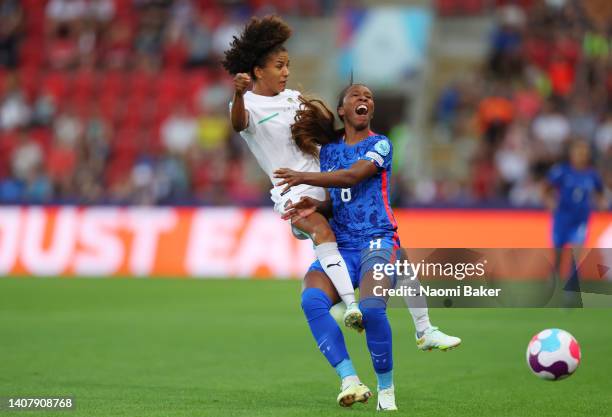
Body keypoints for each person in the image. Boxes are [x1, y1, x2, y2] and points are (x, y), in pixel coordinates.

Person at [275, 84, 460, 411]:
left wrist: (301, 177)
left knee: (373, 309)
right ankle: (349, 379)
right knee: (312, 300)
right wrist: (313, 206)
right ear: (342, 110)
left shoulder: (381, 145)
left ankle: (386, 389)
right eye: (356, 96)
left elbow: (351, 178)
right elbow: (339, 198)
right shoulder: (329, 151)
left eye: (369, 97)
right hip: (341, 245)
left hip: (377, 240)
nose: (364, 99)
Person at [221, 16, 362, 329]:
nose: (286, 72)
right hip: (293, 195)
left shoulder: (294, 99)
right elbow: (238, 123)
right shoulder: (247, 106)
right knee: (321, 232)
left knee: (360, 245)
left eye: (287, 65)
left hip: (325, 188)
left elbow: (320, 138)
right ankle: (352, 306)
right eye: (279, 66)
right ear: (258, 71)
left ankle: (332, 301)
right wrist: (240, 94)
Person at [544, 140, 606, 292]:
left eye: (584, 153)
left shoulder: (592, 174)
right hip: (562, 219)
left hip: (580, 220)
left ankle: (571, 289)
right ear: (572, 154)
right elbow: (545, 188)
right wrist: (550, 201)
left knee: (575, 254)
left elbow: (600, 193)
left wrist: (600, 203)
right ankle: (554, 283)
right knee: (558, 254)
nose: (581, 156)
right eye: (578, 152)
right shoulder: (562, 171)